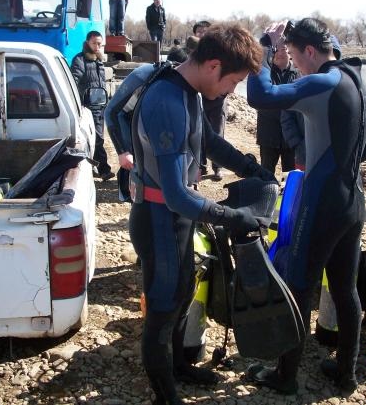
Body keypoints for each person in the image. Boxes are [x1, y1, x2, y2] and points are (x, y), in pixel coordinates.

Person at [105, 25, 275, 405]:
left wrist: (250, 168)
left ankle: (179, 366)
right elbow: (177, 196)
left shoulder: (190, 91)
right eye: (233, 81)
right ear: (214, 65)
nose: (232, 91)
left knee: (183, 290)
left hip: (175, 219)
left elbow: (208, 141)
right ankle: (166, 396)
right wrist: (235, 217)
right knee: (163, 306)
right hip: (158, 218)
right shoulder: (166, 101)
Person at [245, 18, 366, 397]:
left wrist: (262, 51)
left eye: (293, 55)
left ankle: (285, 377)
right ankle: (345, 373)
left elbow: (261, 98)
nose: (294, 65)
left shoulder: (322, 82)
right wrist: (340, 164)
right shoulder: (359, 82)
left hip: (321, 202)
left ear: (309, 51)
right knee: (344, 288)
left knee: (300, 285)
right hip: (352, 201)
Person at [280, 36, 342, 171]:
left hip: (335, 160)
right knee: (301, 189)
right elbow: (286, 117)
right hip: (304, 154)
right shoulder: (298, 85)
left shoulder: (344, 88)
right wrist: (297, 143)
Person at [71, 31, 114, 181]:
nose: (98, 46)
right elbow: (74, 82)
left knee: (97, 138)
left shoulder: (99, 61)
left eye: (100, 44)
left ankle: (94, 167)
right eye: (95, 43)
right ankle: (104, 170)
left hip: (101, 106)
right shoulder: (80, 60)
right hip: (88, 107)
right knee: (97, 139)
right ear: (88, 42)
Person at [193, 21, 229, 181]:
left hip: (218, 101)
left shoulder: (221, 51)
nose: (201, 34)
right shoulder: (192, 52)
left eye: (204, 31)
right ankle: (200, 165)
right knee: (197, 132)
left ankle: (218, 167)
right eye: (199, 31)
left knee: (217, 132)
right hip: (199, 100)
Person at [256, 43, 299, 174]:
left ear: (290, 53)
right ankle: (267, 194)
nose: (280, 53)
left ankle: (287, 196)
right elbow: (259, 99)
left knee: (291, 176)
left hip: (291, 136)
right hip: (268, 134)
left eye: (284, 49)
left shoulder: (298, 73)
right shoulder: (265, 73)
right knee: (266, 174)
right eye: (276, 50)